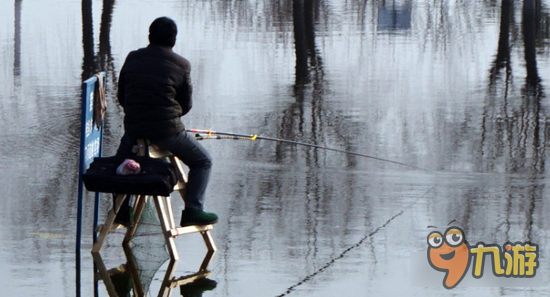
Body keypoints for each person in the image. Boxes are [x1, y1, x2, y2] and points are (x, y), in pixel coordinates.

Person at [116, 16, 218, 227]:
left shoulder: (132, 58)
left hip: (134, 128)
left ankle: (122, 211)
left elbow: (122, 97)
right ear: (173, 39)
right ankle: (193, 210)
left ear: (150, 36)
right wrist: (168, 114)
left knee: (120, 164)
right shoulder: (181, 65)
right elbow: (186, 105)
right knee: (203, 162)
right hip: (168, 131)